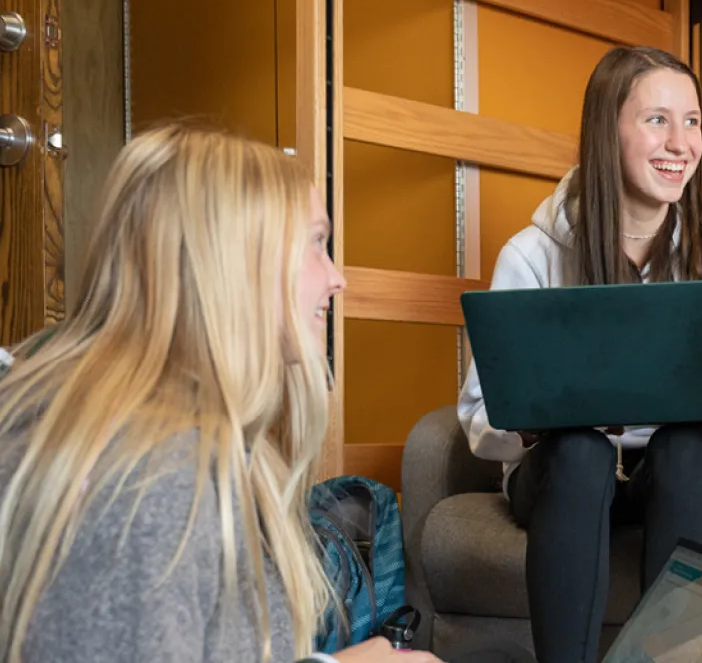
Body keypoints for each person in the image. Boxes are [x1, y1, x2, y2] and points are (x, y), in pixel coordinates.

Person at [458, 45, 702, 662]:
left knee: (688, 447)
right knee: (580, 451)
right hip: (565, 476)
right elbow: (480, 414)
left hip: (671, 470)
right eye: (657, 120)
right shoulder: (532, 253)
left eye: (692, 122)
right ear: (606, 130)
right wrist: (547, 421)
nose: (680, 142)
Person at [0, 123, 439, 663]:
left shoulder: (155, 438)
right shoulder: (155, 482)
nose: (336, 277)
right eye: (317, 243)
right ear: (235, 258)